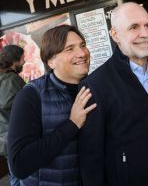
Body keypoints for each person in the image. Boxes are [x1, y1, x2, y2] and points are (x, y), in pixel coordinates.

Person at [79, 2, 148, 186]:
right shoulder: (95, 85)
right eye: (133, 27)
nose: (145, 34)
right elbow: (91, 157)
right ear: (115, 35)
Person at [7, 25, 96, 185]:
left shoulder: (96, 88)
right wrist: (72, 125)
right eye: (69, 49)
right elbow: (19, 164)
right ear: (51, 61)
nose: (82, 53)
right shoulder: (31, 96)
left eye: (82, 45)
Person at [0, 45, 25, 186]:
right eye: (22, 58)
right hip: (15, 135)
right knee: (23, 176)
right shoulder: (9, 78)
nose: (24, 61)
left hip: (3, 136)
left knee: (15, 174)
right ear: (14, 60)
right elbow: (11, 103)